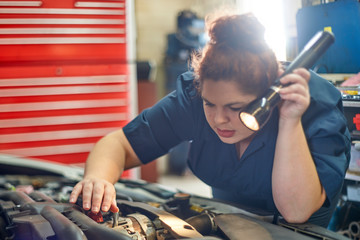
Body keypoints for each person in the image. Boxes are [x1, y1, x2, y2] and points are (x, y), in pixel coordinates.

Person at [70, 11, 350, 228]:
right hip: (227, 226)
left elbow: (297, 211)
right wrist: (98, 179)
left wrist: (289, 120)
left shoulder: (314, 106)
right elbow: (119, 144)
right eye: (209, 104)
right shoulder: (193, 96)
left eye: (234, 107)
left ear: (269, 95)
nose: (218, 119)